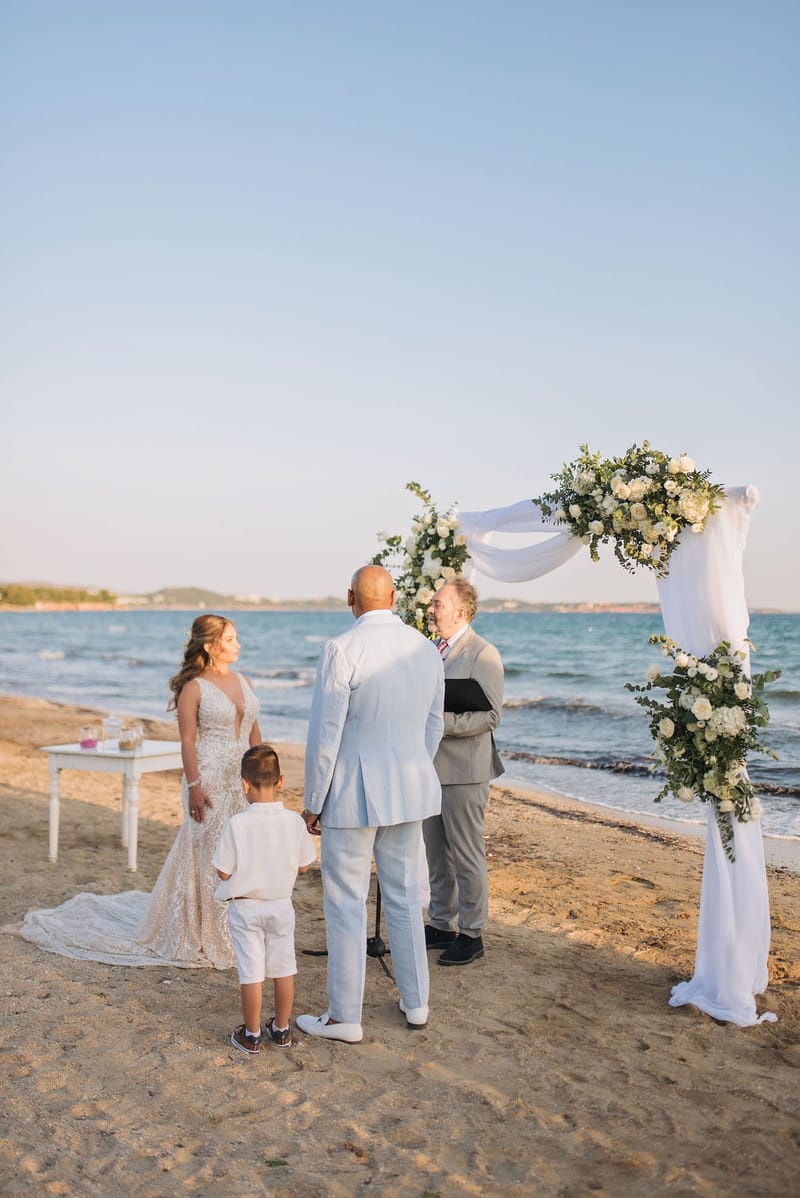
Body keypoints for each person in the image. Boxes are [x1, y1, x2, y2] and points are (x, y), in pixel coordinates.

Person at [17, 615, 263, 969]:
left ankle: (243, 926)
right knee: (210, 853)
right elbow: (187, 740)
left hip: (241, 779)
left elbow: (255, 733)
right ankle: (211, 932)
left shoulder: (245, 680)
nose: (238, 644)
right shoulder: (194, 687)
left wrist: (261, 776)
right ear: (210, 646)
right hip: (207, 778)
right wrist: (193, 786)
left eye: (237, 637)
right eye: (231, 639)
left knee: (242, 851)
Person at [296, 565, 444, 1044]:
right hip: (409, 787)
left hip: (352, 791)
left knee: (345, 902)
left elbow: (326, 733)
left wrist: (313, 801)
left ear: (349, 598)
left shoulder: (342, 648)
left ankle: (344, 1016)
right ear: (395, 597)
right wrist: (415, 768)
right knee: (403, 897)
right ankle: (416, 1001)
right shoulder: (426, 649)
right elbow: (433, 725)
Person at [213, 744, 317, 1056]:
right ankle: (282, 1029)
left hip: (246, 907)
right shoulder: (294, 823)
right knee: (284, 966)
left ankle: (252, 1034)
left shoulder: (237, 824)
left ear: (244, 784)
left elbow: (222, 872)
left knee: (251, 971)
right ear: (281, 781)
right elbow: (303, 864)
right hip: (280, 905)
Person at [423, 578, 504, 966]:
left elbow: (490, 715)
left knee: (467, 853)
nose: (431, 608)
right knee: (435, 854)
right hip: (429, 769)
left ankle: (472, 933)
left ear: (462, 610)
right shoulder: (431, 650)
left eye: (438, 603)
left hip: (466, 772)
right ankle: (441, 924)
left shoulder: (484, 654)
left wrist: (439, 722)